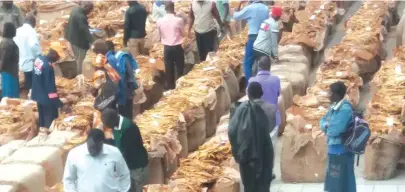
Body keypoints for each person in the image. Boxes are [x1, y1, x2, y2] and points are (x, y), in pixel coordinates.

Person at [229, 84, 274, 192]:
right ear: (262, 94)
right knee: (263, 184)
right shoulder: (270, 108)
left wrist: (237, 152)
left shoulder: (240, 110)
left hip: (246, 155)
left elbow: (232, 131)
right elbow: (270, 128)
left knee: (249, 186)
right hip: (264, 153)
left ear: (248, 95)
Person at [63, 129, 131, 192]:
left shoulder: (114, 152)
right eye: (90, 147)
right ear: (87, 142)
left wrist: (122, 190)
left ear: (102, 143)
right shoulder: (74, 154)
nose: (93, 150)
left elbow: (124, 174)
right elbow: (68, 179)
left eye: (95, 147)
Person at [320, 82, 356, 192]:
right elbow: (322, 121)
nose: (328, 95)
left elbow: (333, 131)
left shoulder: (345, 109)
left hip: (341, 150)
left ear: (337, 94)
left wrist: (327, 126)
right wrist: (327, 125)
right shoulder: (334, 106)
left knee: (340, 181)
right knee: (337, 180)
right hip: (334, 149)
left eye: (330, 92)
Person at [101, 108, 148, 192]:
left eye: (107, 125)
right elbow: (118, 143)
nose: (107, 127)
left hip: (136, 167)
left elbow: (124, 151)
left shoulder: (127, 128)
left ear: (112, 121)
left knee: (137, 189)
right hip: (128, 166)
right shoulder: (116, 125)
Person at [92, 39, 138, 119]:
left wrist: (94, 89)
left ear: (99, 51)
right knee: (125, 113)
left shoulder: (104, 61)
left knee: (121, 114)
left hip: (115, 92)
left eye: (96, 52)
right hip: (120, 90)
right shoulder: (111, 58)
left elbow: (100, 79)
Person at [31, 42, 64, 129]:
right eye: (58, 56)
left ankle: (41, 136)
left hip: (38, 96)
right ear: (54, 54)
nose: (58, 58)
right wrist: (59, 104)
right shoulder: (48, 67)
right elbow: (51, 90)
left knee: (42, 122)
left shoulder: (39, 59)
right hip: (47, 101)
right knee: (49, 125)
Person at [233, 0, 269, 80]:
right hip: (263, 37)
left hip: (253, 38)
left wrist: (240, 3)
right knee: (260, 61)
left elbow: (235, 16)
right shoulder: (266, 8)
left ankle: (250, 84)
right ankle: (260, 81)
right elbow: (267, 24)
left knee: (247, 63)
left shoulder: (249, 8)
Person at [248, 56, 281, 135]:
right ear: (270, 66)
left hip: (256, 123)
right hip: (273, 122)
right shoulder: (276, 80)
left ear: (259, 66)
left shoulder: (251, 81)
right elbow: (279, 94)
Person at [157, 1, 185, 90]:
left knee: (169, 69)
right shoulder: (179, 20)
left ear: (165, 9)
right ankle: (180, 86)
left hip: (167, 48)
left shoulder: (160, 21)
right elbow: (183, 33)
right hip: (177, 47)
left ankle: (170, 87)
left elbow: (160, 35)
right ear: (173, 8)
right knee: (180, 67)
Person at [64, 1, 94, 77]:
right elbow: (85, 31)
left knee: (78, 58)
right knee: (80, 60)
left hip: (72, 37)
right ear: (87, 8)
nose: (90, 12)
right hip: (78, 41)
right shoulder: (81, 16)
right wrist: (93, 42)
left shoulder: (75, 10)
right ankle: (80, 76)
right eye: (90, 10)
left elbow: (82, 26)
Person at [14, 14, 41, 91]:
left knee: (27, 83)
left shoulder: (17, 31)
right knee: (33, 86)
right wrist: (39, 56)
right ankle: (33, 100)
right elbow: (33, 46)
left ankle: (28, 98)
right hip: (31, 63)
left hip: (21, 62)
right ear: (33, 22)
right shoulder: (31, 31)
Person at [247, 81, 277, 146]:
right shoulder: (273, 108)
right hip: (270, 145)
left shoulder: (244, 111)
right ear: (262, 93)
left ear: (249, 95)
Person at [253, 6, 282, 71]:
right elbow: (274, 42)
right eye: (279, 16)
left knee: (256, 67)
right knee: (263, 69)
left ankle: (253, 79)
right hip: (263, 50)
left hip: (256, 47)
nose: (279, 17)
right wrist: (275, 55)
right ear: (275, 15)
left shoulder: (265, 22)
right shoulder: (274, 25)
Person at [0, 22, 19, 98]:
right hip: (9, 72)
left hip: (10, 71)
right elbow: (3, 59)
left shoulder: (7, 41)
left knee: (10, 92)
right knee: (10, 94)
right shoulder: (7, 43)